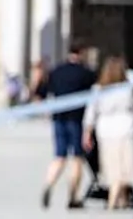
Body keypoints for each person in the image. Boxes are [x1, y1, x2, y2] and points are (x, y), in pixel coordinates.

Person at [38, 40, 96, 209]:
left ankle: (49, 184)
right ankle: (73, 196)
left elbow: (42, 92)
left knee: (59, 157)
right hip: (77, 120)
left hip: (58, 118)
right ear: (82, 53)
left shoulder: (56, 71)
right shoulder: (86, 73)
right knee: (77, 159)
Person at [84, 54, 133, 209]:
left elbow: (91, 112)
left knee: (112, 168)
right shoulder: (130, 88)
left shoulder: (99, 89)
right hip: (127, 129)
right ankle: (113, 202)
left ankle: (122, 200)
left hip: (106, 131)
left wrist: (87, 132)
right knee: (125, 169)